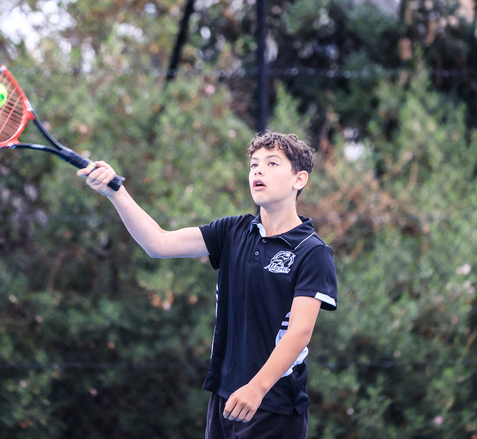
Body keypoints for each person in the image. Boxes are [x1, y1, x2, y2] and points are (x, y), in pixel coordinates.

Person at [77, 131, 337, 439]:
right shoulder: (232, 231)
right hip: (225, 397)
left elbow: (300, 332)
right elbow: (158, 243)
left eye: (271, 163)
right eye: (254, 165)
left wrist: (256, 388)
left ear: (299, 179)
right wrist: (116, 193)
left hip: (273, 403)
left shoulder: (312, 251)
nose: (258, 171)